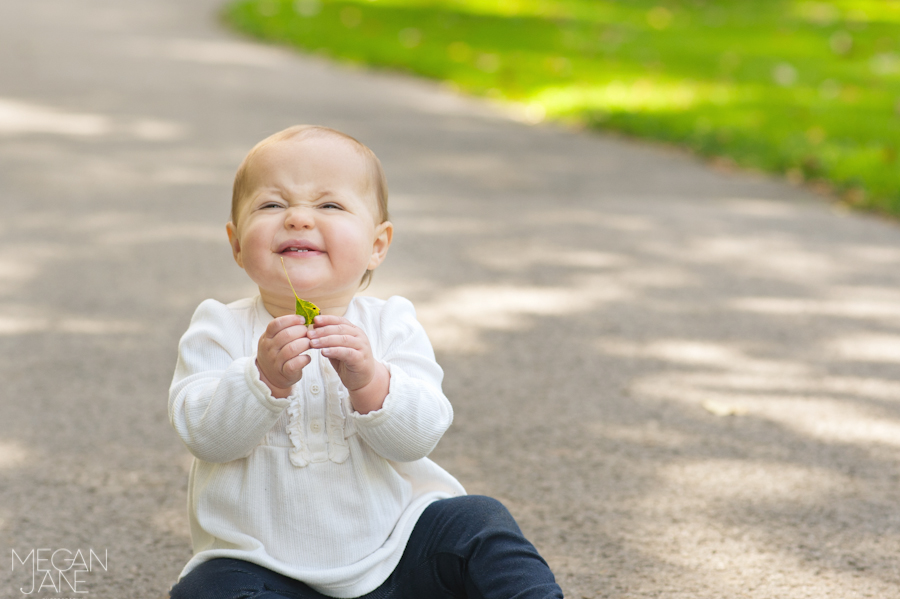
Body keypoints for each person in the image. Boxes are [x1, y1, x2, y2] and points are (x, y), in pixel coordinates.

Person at [167, 125, 564, 599]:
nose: (297, 218)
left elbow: (420, 435)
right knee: (208, 588)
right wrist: (261, 381)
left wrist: (372, 381)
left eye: (329, 205)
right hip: (261, 564)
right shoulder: (218, 328)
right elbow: (206, 437)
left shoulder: (392, 323)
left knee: (478, 522)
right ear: (236, 243)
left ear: (378, 245)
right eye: (272, 205)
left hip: (397, 550)